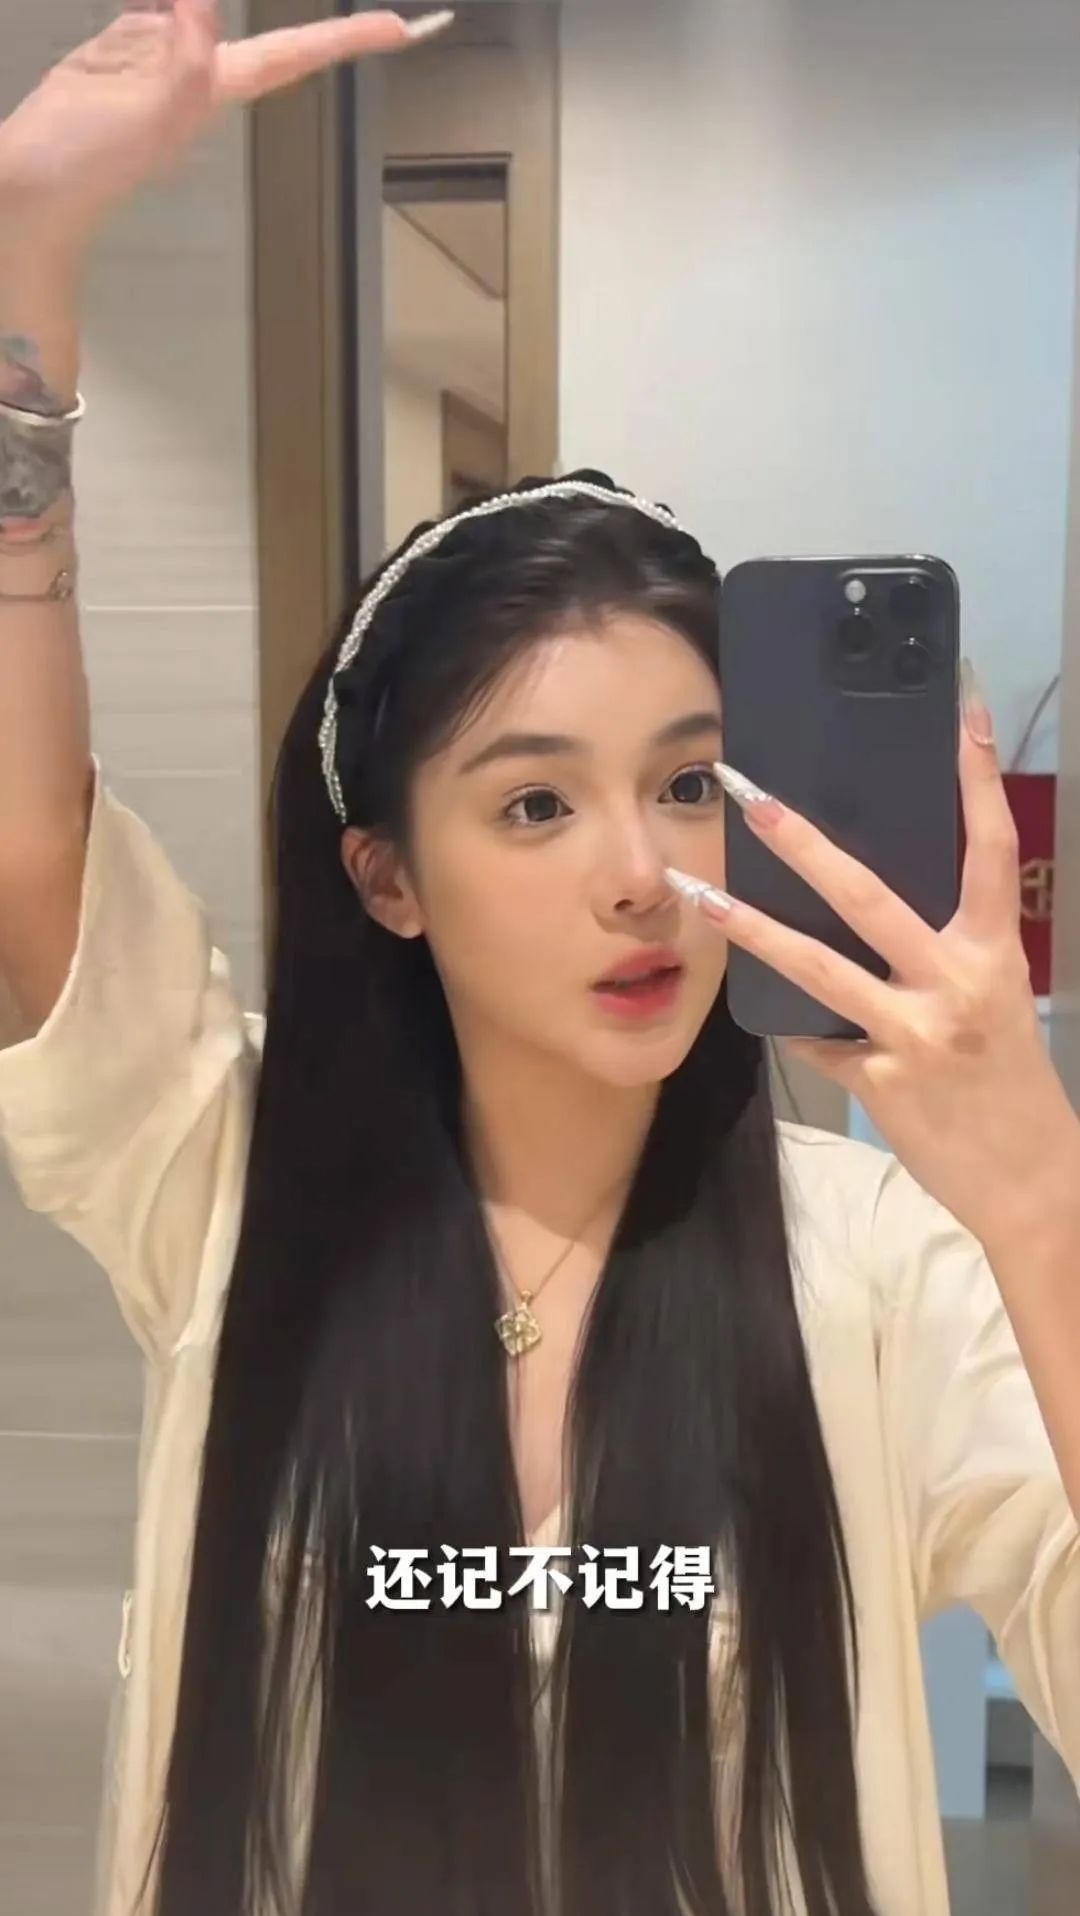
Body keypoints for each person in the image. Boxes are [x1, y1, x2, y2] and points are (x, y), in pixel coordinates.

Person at [1, 7, 1079, 1916]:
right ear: (386, 878)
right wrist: (26, 254)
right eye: (532, 804)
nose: (643, 876)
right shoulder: (231, 1182)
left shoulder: (878, 1274)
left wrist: (1038, 1194)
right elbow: (28, 850)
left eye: (688, 784)